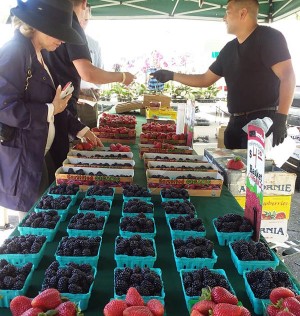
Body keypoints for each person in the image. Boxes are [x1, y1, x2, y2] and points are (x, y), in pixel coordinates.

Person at [151, 0, 296, 149]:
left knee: (255, 171)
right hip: (235, 123)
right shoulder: (229, 49)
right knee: (231, 169)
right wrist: (172, 75)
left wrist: (281, 118)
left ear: (243, 13)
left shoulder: (269, 37)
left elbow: (288, 76)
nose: (224, 18)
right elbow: (205, 79)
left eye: (228, 12)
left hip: (262, 123)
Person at [0, 0, 92, 223]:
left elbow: (56, 103)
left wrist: (80, 130)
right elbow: (4, 107)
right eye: (58, 33)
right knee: (32, 229)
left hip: (39, 154)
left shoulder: (37, 53)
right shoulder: (15, 52)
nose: (62, 40)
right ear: (37, 26)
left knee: (43, 220)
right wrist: (49, 109)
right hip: (24, 159)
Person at [43, 0, 135, 169]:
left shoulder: (48, 20)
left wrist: (80, 128)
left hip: (51, 110)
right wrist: (122, 77)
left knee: (50, 172)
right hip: (57, 109)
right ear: (84, 3)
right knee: (57, 171)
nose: (60, 41)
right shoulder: (70, 25)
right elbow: (88, 73)